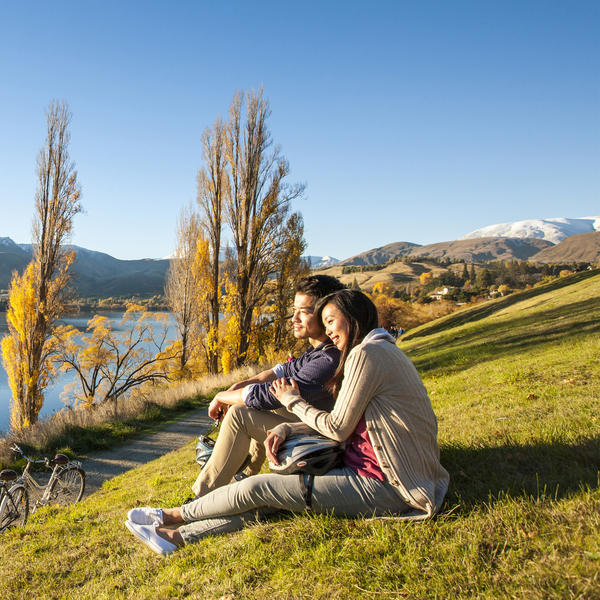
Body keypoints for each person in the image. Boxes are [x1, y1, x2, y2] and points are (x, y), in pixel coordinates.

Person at [125, 289, 449, 555]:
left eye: (332, 322)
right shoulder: (383, 350)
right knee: (274, 502)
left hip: (387, 485)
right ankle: (175, 538)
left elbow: (337, 427)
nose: (330, 332)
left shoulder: (366, 355)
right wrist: (286, 427)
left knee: (259, 487)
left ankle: (171, 516)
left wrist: (291, 401)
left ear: (353, 318)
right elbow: (343, 421)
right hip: (392, 475)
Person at [190, 274, 345, 497]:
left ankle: (200, 496)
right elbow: (275, 373)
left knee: (240, 415)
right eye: (295, 310)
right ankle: (246, 475)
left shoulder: (327, 361)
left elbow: (266, 395)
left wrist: (222, 396)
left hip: (323, 443)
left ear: (325, 314)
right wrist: (238, 386)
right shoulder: (317, 352)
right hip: (312, 429)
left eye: (304, 311)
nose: (294, 318)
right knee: (249, 404)